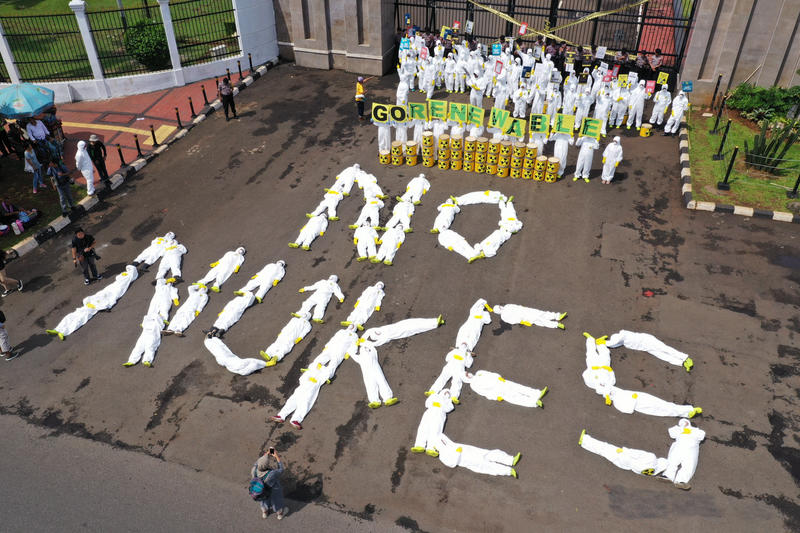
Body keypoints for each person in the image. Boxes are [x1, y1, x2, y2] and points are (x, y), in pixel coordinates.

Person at [251, 449, 286, 520]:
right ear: (266, 466)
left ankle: (265, 512)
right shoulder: (271, 474)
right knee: (276, 501)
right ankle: (279, 514)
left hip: (261, 491)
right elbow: (281, 469)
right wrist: (276, 457)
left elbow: (258, 463)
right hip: (273, 490)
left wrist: (267, 454)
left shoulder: (254, 470)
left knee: (264, 501)